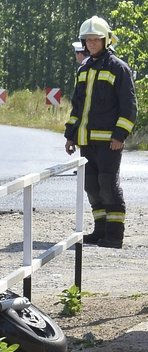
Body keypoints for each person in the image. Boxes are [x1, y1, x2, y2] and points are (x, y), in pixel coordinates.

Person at [64, 16, 136, 249]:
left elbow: (129, 106)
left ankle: (114, 236)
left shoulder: (119, 68)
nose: (92, 43)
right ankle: (100, 230)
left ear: (106, 40)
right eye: (88, 40)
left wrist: (120, 135)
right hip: (87, 140)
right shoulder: (85, 69)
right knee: (92, 186)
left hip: (109, 142)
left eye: (96, 39)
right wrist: (71, 135)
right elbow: (77, 106)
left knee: (107, 183)